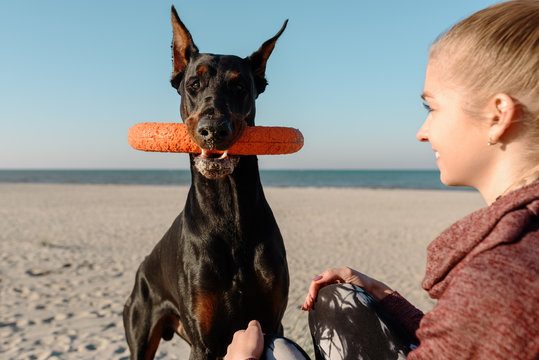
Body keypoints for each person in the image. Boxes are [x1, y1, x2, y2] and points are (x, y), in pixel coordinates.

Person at [225, 1, 539, 359]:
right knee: (336, 300)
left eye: (432, 108)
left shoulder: (500, 277)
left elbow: (488, 318)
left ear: (498, 116)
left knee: (274, 350)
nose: (422, 133)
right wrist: (382, 295)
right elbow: (469, 343)